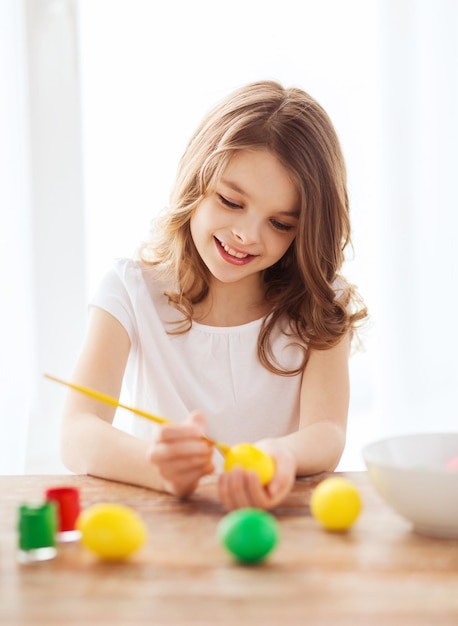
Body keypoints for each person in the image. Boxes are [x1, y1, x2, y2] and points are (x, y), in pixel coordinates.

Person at [61, 80, 367, 511]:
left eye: (280, 224)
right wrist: (157, 466)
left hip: (280, 529)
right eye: (230, 201)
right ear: (196, 179)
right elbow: (77, 430)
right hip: (165, 530)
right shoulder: (131, 291)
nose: (246, 235)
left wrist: (281, 455)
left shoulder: (319, 304)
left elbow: (328, 432)